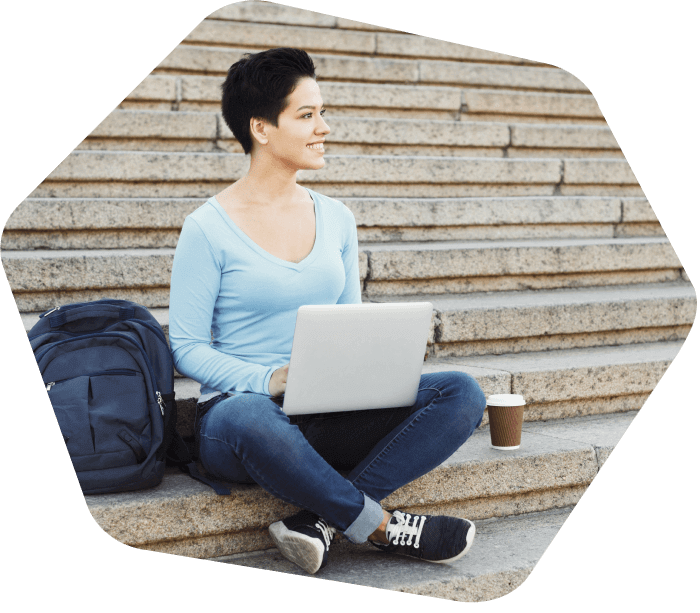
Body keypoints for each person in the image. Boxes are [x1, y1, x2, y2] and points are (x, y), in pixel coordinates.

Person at [168, 47, 487, 575]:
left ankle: (317, 520)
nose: (325, 127)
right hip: (238, 418)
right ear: (261, 128)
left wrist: (374, 368)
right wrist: (269, 379)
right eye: (307, 114)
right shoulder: (206, 228)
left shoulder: (337, 218)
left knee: (460, 392)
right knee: (251, 414)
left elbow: (349, 328)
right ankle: (383, 527)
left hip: (322, 411)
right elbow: (186, 345)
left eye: (323, 112)